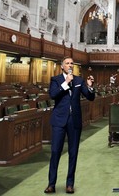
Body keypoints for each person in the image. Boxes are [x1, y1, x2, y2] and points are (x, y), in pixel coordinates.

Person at [44, 56, 95, 194]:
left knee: (73, 153)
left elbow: (90, 97)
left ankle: (70, 184)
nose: (70, 65)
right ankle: (51, 184)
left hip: (74, 121)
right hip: (59, 120)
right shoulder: (56, 80)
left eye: (72, 63)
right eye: (67, 63)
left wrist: (90, 87)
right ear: (62, 66)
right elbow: (53, 95)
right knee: (55, 151)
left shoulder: (79, 80)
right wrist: (66, 83)